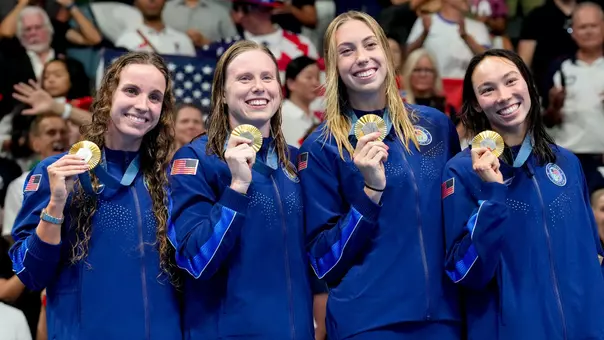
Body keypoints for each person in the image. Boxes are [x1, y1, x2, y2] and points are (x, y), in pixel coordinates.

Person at [299, 11, 462, 340]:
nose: (362, 58)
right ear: (332, 66)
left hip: (444, 318)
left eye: (370, 44)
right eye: (346, 51)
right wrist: (370, 193)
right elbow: (322, 260)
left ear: (387, 52)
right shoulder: (323, 145)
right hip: (369, 321)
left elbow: (457, 221)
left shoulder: (436, 126)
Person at [8, 51, 182, 339]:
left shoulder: (168, 178)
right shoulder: (58, 171)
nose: (143, 105)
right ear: (107, 94)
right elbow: (30, 274)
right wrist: (55, 205)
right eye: (131, 91)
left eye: (155, 97)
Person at [442, 49, 604, 339]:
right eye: (488, 90)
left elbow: (594, 255)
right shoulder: (463, 171)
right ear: (477, 105)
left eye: (510, 81)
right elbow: (464, 273)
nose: (504, 96)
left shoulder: (566, 162)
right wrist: (493, 194)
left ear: (528, 84)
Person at [168, 40, 315, 339]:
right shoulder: (196, 159)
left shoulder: (296, 160)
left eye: (267, 77)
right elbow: (196, 261)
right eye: (244, 78)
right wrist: (237, 187)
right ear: (222, 93)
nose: (258, 87)